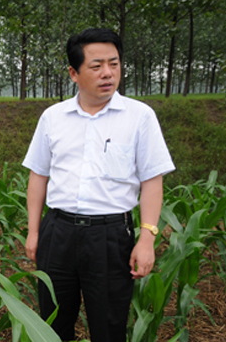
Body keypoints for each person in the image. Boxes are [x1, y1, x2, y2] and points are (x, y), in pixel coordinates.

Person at [23, 28, 175, 342]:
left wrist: (147, 238)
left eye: (114, 64)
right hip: (58, 233)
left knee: (108, 326)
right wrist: (34, 231)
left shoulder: (139, 117)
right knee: (52, 323)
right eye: (96, 66)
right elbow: (38, 175)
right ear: (73, 73)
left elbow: (152, 181)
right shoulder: (53, 118)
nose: (107, 73)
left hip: (110, 237)